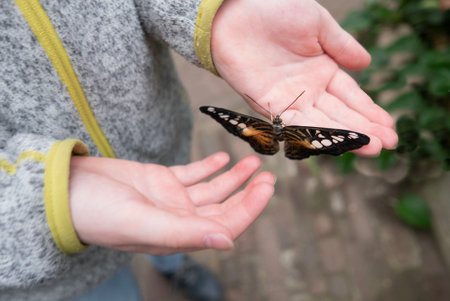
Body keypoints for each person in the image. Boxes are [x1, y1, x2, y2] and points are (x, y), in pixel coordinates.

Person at [0, 0, 398, 300]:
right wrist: (41, 199)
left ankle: (174, 264)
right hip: (53, 265)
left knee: (179, 221)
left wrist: (217, 11)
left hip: (158, 143)